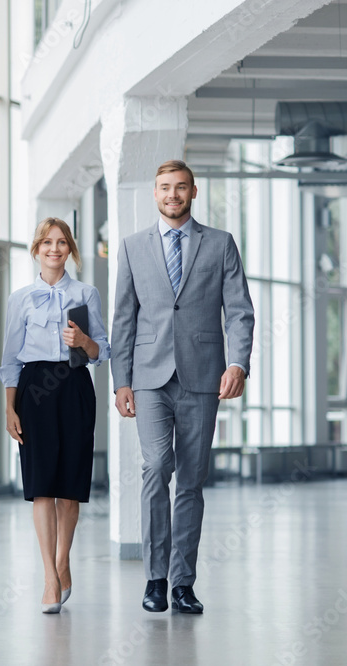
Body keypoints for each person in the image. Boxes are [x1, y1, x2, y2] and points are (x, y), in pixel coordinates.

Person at [111, 160, 254, 615]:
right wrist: (121, 381)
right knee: (156, 468)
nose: (172, 194)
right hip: (149, 379)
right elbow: (123, 318)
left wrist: (238, 363)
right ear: (155, 194)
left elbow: (239, 311)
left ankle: (182, 583)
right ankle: (155, 577)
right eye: (164, 188)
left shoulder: (220, 243)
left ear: (193, 192)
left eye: (180, 188)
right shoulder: (133, 247)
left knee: (191, 481)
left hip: (203, 376)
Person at [0, 217, 110, 614]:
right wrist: (9, 406)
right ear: (36, 249)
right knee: (41, 486)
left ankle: (64, 560)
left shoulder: (86, 293)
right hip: (34, 390)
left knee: (71, 485)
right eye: (47, 242)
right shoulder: (20, 299)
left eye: (62, 242)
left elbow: (104, 352)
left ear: (70, 250)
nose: (54, 249)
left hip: (75, 386)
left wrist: (83, 341)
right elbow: (10, 359)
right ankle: (49, 575)